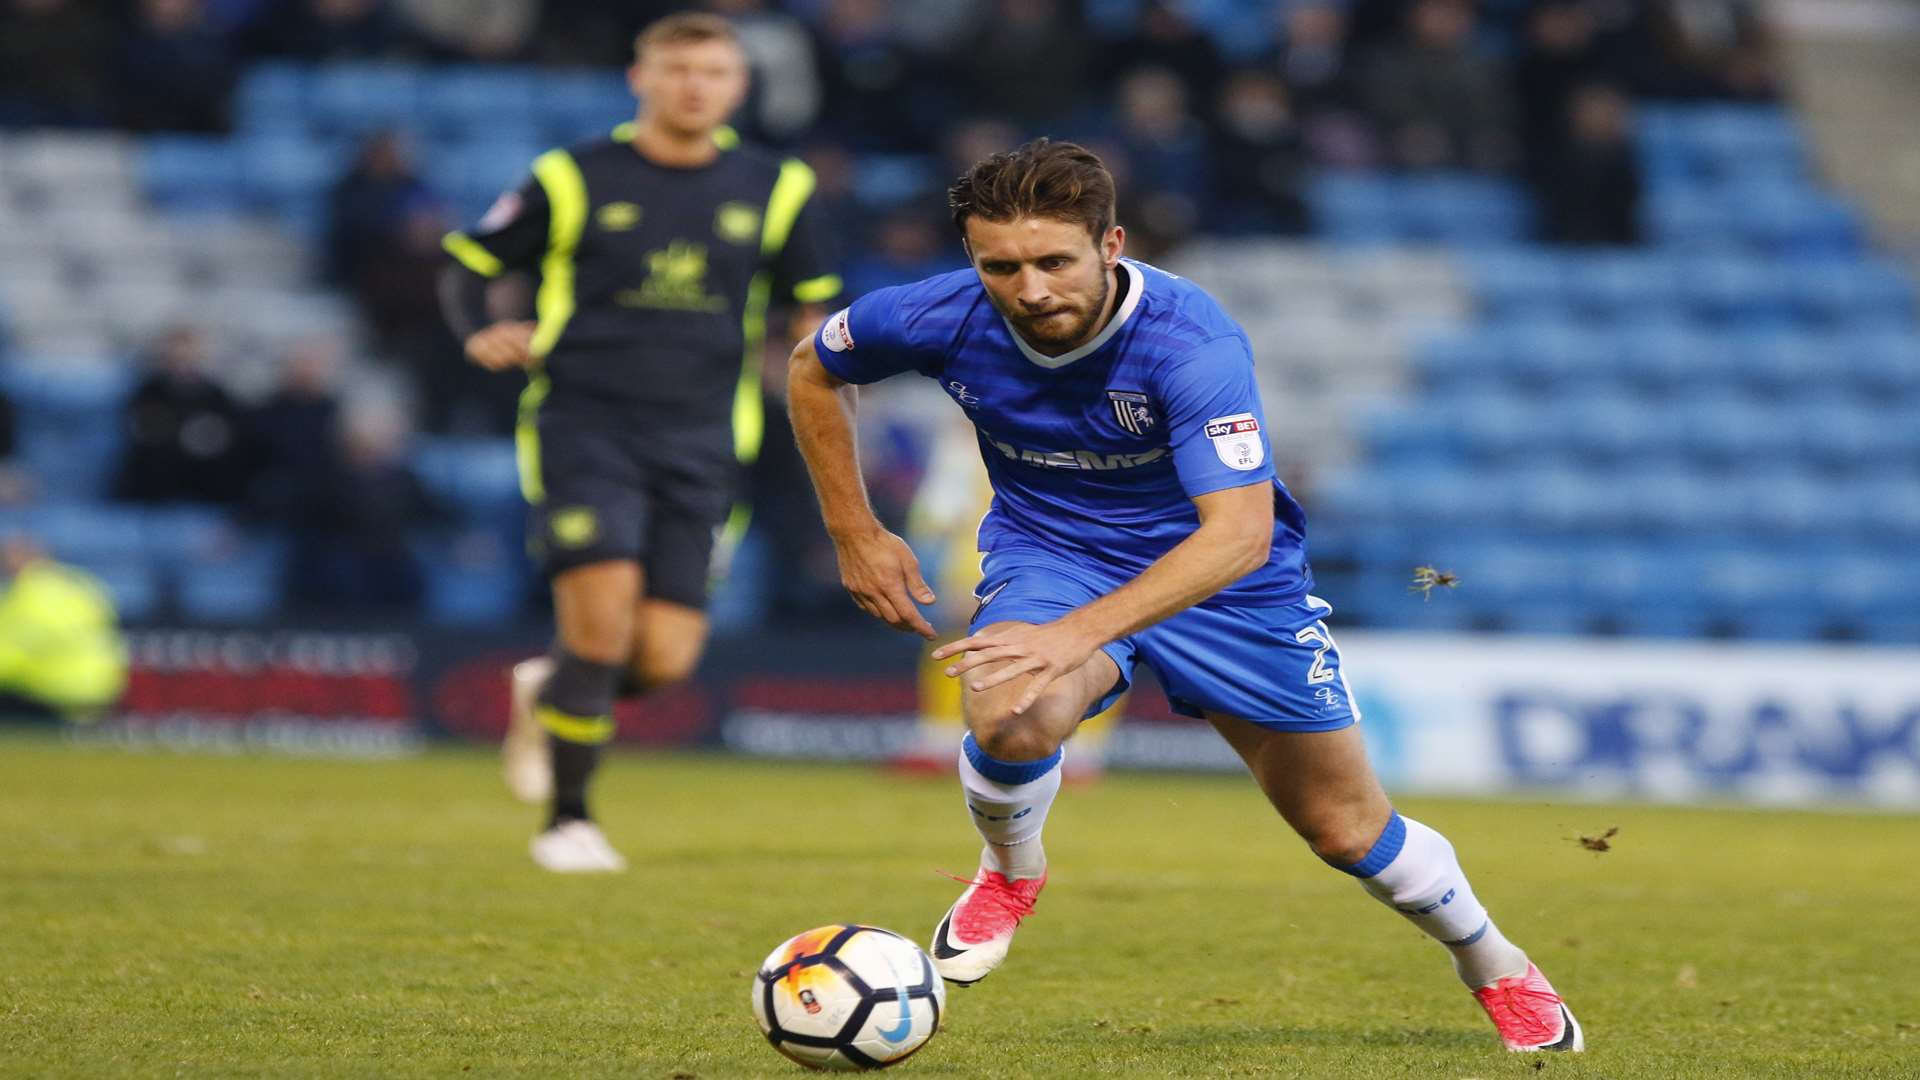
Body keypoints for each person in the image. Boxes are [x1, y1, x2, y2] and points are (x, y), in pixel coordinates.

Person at [785, 139, 1583, 1052]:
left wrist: (1073, 637)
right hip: (1058, 550)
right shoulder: (935, 313)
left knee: (1346, 831)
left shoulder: (1189, 341)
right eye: (1000, 266)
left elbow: (1237, 535)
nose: (1031, 290)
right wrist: (855, 532)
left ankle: (1494, 962)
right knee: (1009, 713)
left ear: (1111, 244)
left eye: (1054, 262)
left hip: (1228, 583)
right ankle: (1009, 872)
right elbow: (814, 365)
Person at [438, 12, 840, 873]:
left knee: (660, 660)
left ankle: (545, 693)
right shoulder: (574, 176)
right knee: (600, 619)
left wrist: (821, 354)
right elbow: (469, 264)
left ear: (738, 87)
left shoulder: (778, 187)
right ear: (641, 79)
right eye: (679, 69)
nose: (696, 86)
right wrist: (482, 332)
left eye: (715, 72)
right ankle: (568, 821)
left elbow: (812, 298)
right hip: (585, 425)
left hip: (703, 438)